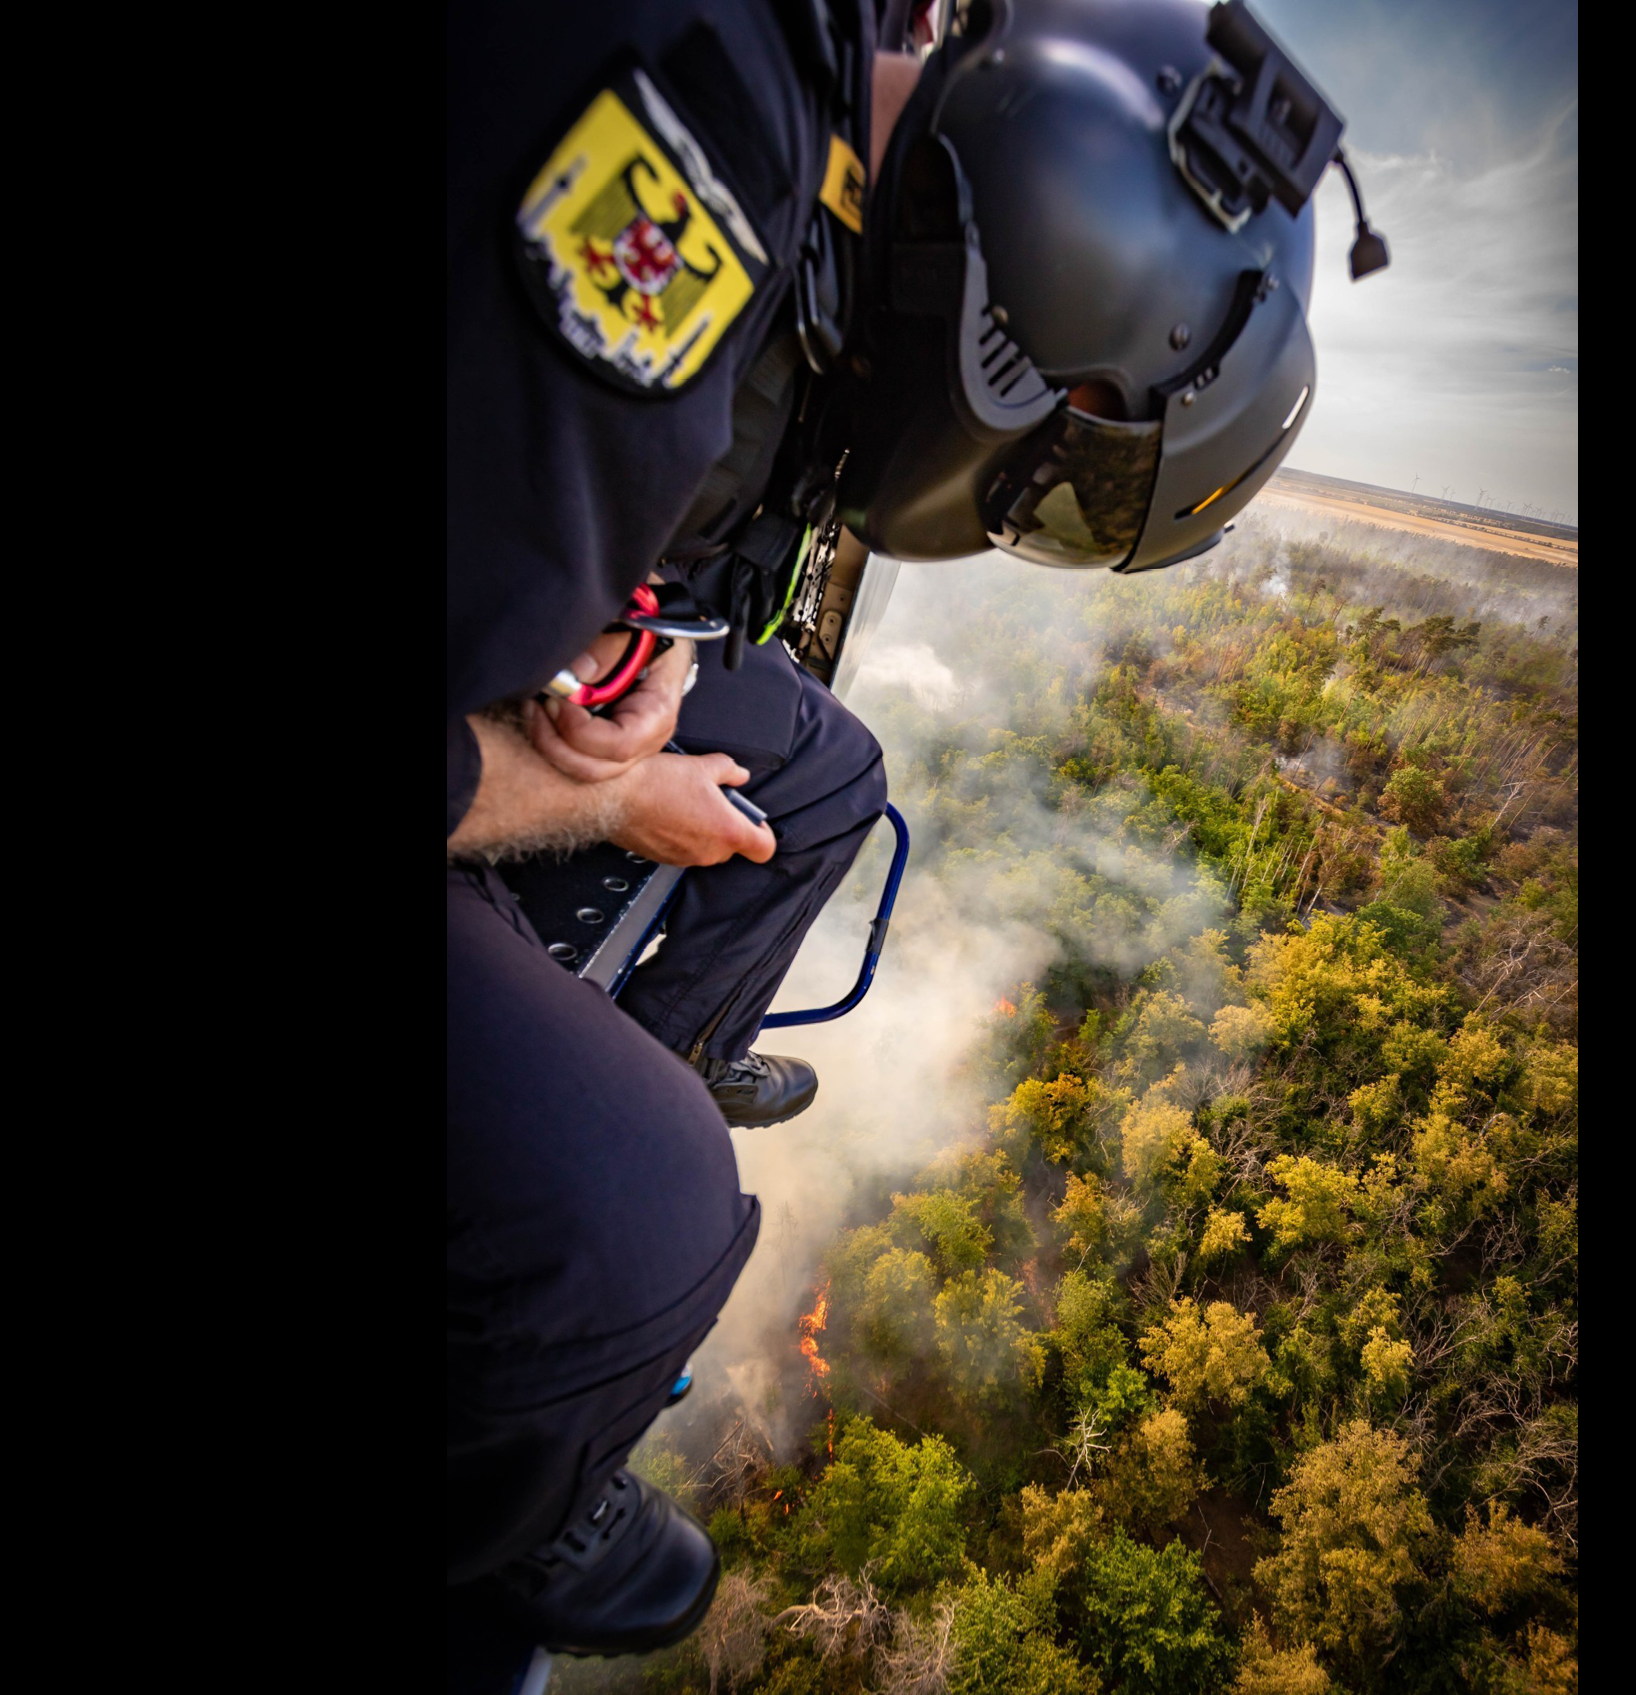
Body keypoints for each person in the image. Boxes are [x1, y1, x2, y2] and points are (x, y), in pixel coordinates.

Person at [450, 2, 1371, 1686]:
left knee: (821, 779)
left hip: (521, 681)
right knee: (639, 1209)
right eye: (1051, 437)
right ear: (1028, 313)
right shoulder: (675, 212)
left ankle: (657, 1043)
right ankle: (494, 1516)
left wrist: (613, 659)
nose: (1012, 482)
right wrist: (586, 794)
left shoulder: (812, 111)